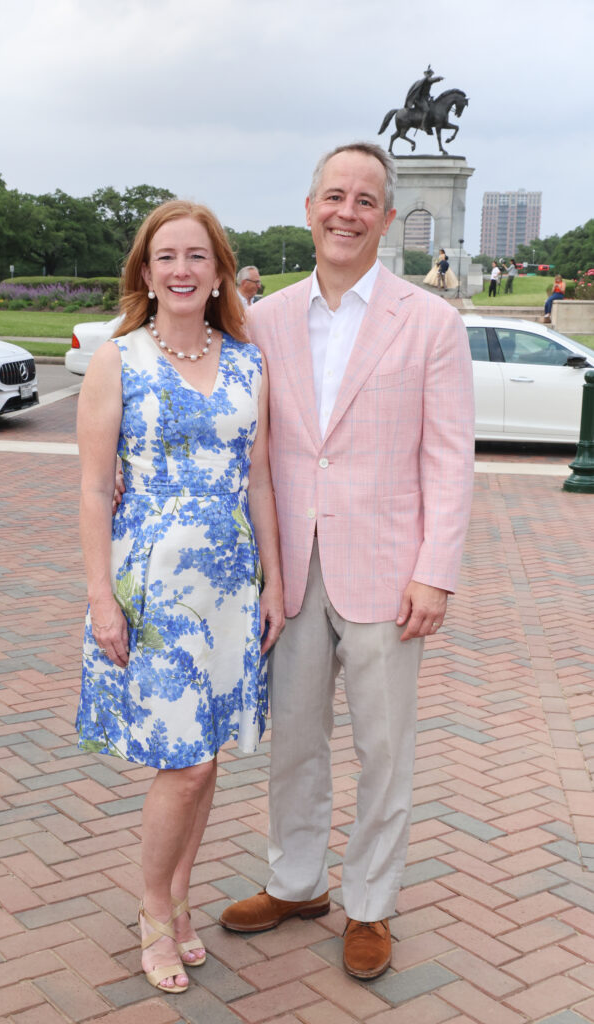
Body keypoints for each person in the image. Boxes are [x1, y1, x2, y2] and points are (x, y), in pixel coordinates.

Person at [218, 142, 475, 980]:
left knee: (383, 748)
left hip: (388, 571)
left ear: (387, 219)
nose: (347, 212)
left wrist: (434, 570)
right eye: (334, 195)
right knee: (293, 739)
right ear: (308, 207)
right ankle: (295, 882)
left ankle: (369, 904)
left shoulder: (430, 322)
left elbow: (447, 458)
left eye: (366, 200)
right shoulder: (265, 320)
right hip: (289, 571)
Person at [75, 199, 284, 994]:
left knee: (208, 754)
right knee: (186, 762)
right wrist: (101, 597)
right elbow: (96, 489)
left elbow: (259, 478)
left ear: (220, 270)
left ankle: (180, 902)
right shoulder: (117, 361)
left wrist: (275, 581)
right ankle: (153, 912)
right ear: (145, 271)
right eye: (167, 257)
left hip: (231, 587)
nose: (183, 269)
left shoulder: (246, 362)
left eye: (198, 255)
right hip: (152, 587)